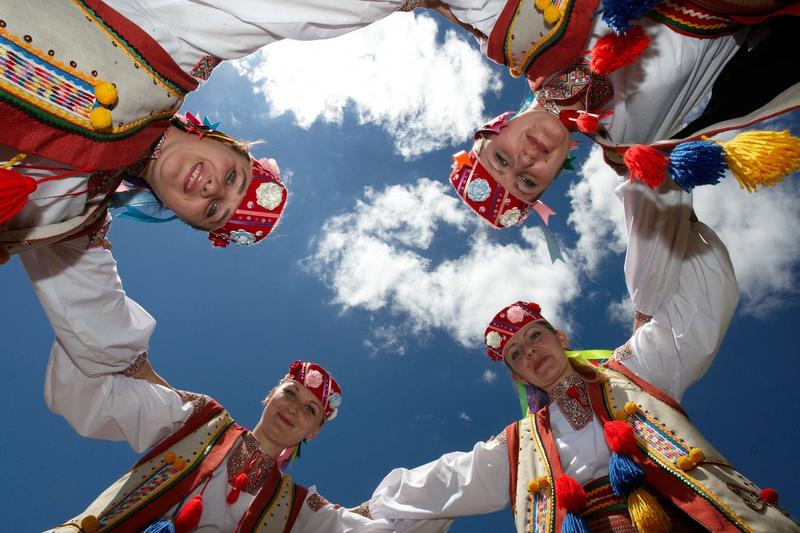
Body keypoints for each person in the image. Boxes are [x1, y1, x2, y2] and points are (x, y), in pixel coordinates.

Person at [366, 170, 800, 530]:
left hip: (690, 517)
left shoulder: (633, 369)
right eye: (515, 355)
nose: (529, 352)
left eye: (535, 336)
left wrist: (669, 225)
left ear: (562, 337)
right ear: (518, 377)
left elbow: (695, 316)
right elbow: (451, 478)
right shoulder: (521, 443)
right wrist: (370, 510)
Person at [433, 1, 800, 229]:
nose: (525, 161)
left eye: (501, 158)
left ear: (493, 128)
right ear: (554, 176)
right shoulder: (631, 144)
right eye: (528, 183)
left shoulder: (521, 37)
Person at [45, 358, 369, 532]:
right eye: (290, 393)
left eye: (310, 410)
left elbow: (360, 525)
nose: (294, 408)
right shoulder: (204, 419)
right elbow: (160, 402)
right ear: (271, 395)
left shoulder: (295, 506)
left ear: (313, 432)